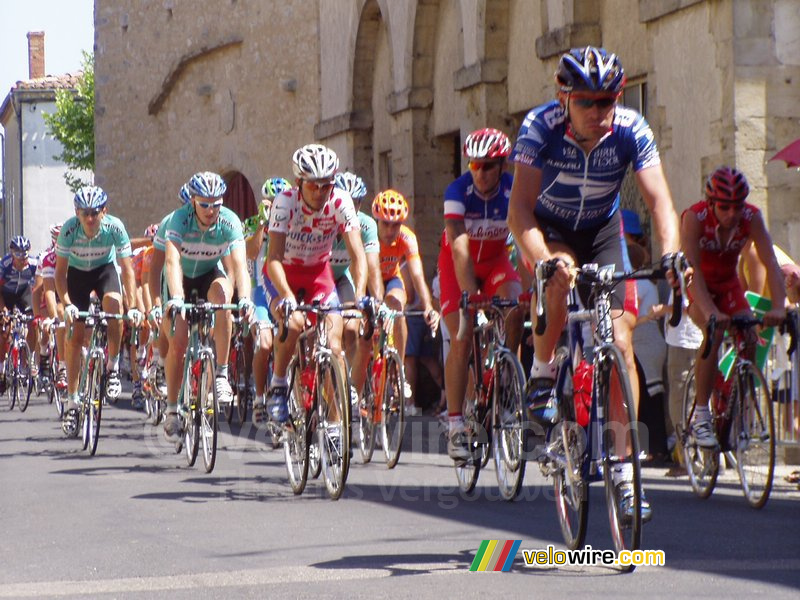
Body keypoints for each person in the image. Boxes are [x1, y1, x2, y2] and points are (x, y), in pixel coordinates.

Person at [508, 46, 681, 522]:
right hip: (550, 229)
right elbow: (518, 209)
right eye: (587, 102)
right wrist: (544, 260)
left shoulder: (630, 129)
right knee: (560, 278)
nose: (599, 112)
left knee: (622, 343)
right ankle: (543, 374)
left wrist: (668, 257)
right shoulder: (539, 128)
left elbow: (660, 202)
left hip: (603, 231)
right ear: (564, 99)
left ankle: (625, 472)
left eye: (608, 101)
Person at [681, 166, 786, 449]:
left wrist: (779, 306)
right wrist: (710, 311)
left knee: (750, 337)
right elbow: (692, 271)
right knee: (713, 333)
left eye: (737, 206)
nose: (731, 213)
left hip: (728, 285)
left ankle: (735, 409)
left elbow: (771, 263)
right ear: (712, 202)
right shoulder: (695, 217)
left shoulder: (751, 217)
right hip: (697, 284)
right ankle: (701, 415)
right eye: (725, 207)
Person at [264, 144, 367, 428]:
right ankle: (279, 385)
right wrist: (286, 296)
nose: (321, 192)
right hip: (283, 274)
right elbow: (272, 258)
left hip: (318, 276)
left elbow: (358, 255)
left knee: (335, 347)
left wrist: (358, 296)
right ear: (299, 183)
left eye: (326, 186)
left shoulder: (341, 202)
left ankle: (335, 426)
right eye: (314, 186)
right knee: (294, 323)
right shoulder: (284, 203)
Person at [439, 127, 523, 461]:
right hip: (457, 265)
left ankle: (506, 376)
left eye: (487, 166)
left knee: (516, 306)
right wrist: (469, 292)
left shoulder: (513, 189)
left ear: (502, 165)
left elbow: (524, 235)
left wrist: (533, 288)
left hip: (496, 261)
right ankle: (457, 422)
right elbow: (459, 245)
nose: (480, 173)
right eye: (474, 165)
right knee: (461, 337)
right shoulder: (457, 191)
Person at [162, 172, 254, 442]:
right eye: (205, 204)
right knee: (178, 341)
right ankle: (171, 410)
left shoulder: (229, 220)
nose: (211, 209)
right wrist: (177, 298)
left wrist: (245, 298)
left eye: (216, 203)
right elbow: (171, 262)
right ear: (193, 201)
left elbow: (239, 265)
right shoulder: (179, 219)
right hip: (180, 279)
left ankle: (222, 374)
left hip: (207, 275)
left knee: (223, 294)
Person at [55, 186, 140, 436]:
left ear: (105, 211)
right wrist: (68, 305)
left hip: (105, 270)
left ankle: (112, 367)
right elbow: (60, 274)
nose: (90, 218)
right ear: (77, 213)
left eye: (95, 213)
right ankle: (72, 402)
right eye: (84, 213)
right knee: (75, 336)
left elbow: (127, 270)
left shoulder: (115, 228)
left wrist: (132, 307)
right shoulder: (69, 230)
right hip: (77, 276)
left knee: (114, 305)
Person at [372, 188, 440, 411]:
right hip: (367, 282)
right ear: (377, 221)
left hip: (392, 278)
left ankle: (399, 369)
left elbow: (417, 273)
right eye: (385, 224)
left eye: (396, 225)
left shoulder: (407, 237)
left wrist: (428, 305)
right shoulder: (368, 234)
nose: (391, 230)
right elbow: (365, 271)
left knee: (398, 309)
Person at [329, 171, 383, 412]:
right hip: (317, 278)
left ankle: (348, 387)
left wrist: (372, 301)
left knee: (352, 328)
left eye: (357, 203)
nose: (352, 208)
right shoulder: (325, 220)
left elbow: (371, 266)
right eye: (347, 202)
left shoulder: (366, 224)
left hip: (341, 277)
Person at [247, 176, 290, 426]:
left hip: (284, 287)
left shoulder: (293, 221)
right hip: (260, 292)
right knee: (264, 345)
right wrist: (263, 224)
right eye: (271, 202)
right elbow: (251, 253)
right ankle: (260, 398)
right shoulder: (254, 223)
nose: (276, 206)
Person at [0, 236, 40, 392]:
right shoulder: (4, 266)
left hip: (24, 293)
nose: (22, 258)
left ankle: (28, 360)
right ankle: (2, 368)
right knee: (4, 333)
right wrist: (3, 309)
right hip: (6, 295)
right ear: (12, 253)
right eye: (18, 254)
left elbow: (39, 286)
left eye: (25, 253)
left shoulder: (34, 265)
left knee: (34, 324)